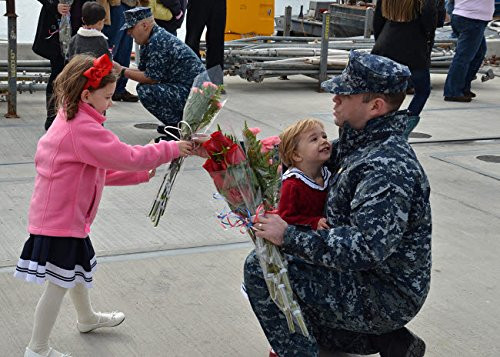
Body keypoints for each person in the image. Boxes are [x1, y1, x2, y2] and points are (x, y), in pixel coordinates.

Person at [244, 51, 431, 357]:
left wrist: (288, 236)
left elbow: (366, 247)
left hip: (385, 292)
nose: (335, 98)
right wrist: (229, 156)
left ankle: (333, 344)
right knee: (288, 264)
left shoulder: (385, 168)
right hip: (370, 278)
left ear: (375, 106)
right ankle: (389, 342)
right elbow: (306, 155)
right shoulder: (363, 141)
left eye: (345, 93)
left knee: (262, 268)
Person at [14, 54, 193, 357]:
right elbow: (127, 155)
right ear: (86, 95)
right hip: (60, 221)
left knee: (75, 272)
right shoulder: (82, 129)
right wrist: (171, 148)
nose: (111, 103)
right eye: (107, 96)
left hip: (67, 217)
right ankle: (37, 348)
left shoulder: (73, 117)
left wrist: (138, 175)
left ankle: (86, 319)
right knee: (59, 284)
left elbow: (99, 171)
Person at [115, 7, 205, 135]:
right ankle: (177, 124)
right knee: (145, 87)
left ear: (145, 25)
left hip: (195, 95)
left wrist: (122, 70)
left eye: (131, 28)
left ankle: (178, 128)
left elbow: (151, 78)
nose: (129, 33)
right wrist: (119, 68)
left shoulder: (158, 41)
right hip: (189, 90)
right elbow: (143, 71)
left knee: (145, 90)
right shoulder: (151, 39)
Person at [372, 0, 437, 122]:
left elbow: (377, 21)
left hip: (386, 41)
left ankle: (380, 124)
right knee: (422, 91)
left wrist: (380, 40)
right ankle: (405, 125)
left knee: (383, 92)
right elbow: (430, 20)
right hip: (413, 47)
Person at [33, 0, 91, 130]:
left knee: (80, 72)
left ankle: (77, 116)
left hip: (80, 21)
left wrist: (90, 18)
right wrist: (54, 6)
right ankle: (52, 117)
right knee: (58, 72)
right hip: (56, 26)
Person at [277, 119, 332, 231]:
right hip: (304, 242)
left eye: (324, 136)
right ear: (296, 155)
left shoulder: (330, 173)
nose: (323, 141)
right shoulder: (292, 185)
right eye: (314, 139)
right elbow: (285, 219)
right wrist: (313, 222)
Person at [443, 0, 495, 102]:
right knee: (464, 57)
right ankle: (453, 91)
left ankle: (463, 87)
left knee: (478, 54)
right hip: (472, 18)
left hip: (467, 16)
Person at [102, 0, 141, 102]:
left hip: (131, 5)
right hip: (116, 5)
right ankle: (103, 87)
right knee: (111, 49)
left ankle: (119, 88)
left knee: (125, 49)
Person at [185, 0, 226, 85]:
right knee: (192, 41)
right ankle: (194, 77)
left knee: (217, 43)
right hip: (197, 3)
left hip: (218, 3)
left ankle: (215, 82)